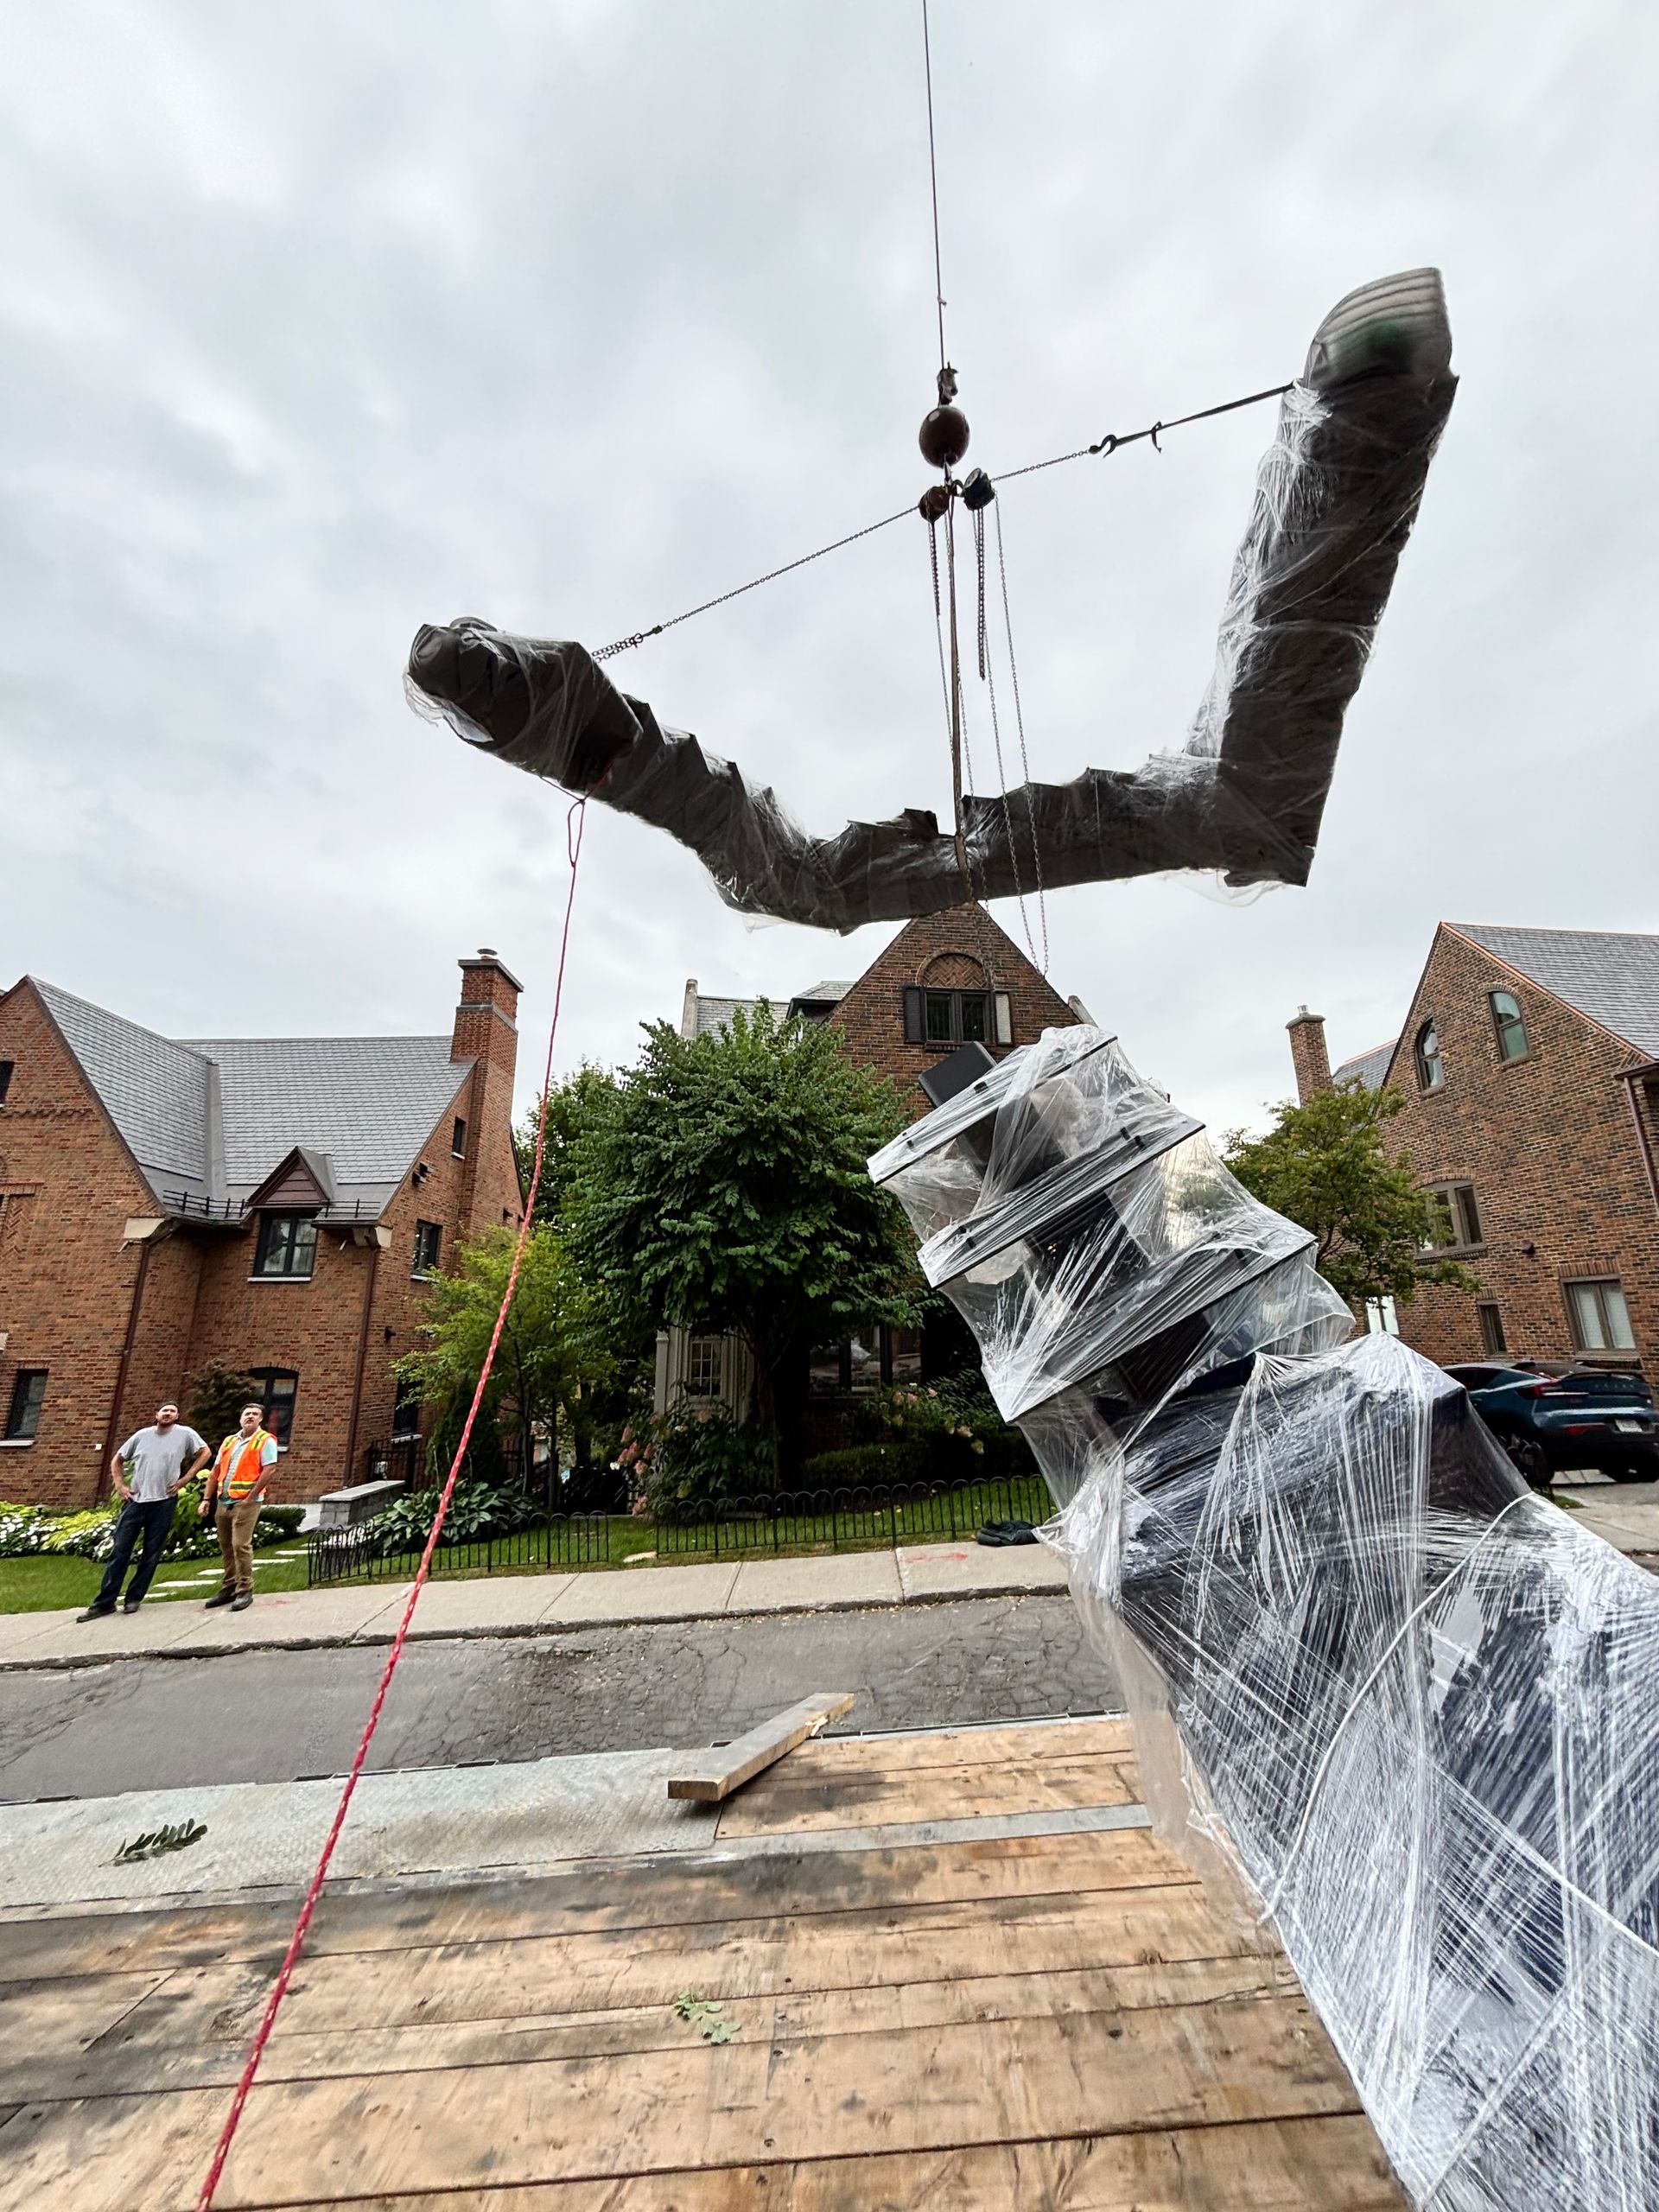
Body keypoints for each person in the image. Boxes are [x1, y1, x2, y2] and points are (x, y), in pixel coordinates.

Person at [77, 1402, 211, 1620]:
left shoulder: (185, 1434)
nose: (168, 1413)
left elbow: (205, 1452)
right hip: (136, 1501)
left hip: (164, 1502)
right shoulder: (141, 1436)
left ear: (177, 1415)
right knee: (120, 1551)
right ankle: (104, 1603)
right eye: (164, 1410)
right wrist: (120, 1486)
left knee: (151, 1553)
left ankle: (133, 1599)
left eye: (172, 1411)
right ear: (156, 1415)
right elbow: (117, 1460)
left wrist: (186, 1478)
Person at [201, 1402, 278, 1611]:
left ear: (260, 1419)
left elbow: (269, 1470)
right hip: (224, 1501)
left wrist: (251, 1497)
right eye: (247, 1414)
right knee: (226, 1545)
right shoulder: (229, 1441)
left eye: (255, 1414)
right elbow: (216, 1470)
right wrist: (207, 1499)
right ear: (240, 1418)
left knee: (240, 1545)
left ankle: (245, 1589)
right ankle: (229, 1586)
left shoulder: (265, 1441)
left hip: (246, 1503)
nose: (250, 1417)